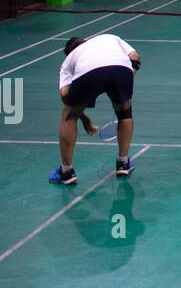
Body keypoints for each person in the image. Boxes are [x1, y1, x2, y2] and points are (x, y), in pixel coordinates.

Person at [50, 33, 141, 184]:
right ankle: (123, 163)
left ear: (70, 53)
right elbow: (135, 57)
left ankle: (66, 172)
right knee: (125, 113)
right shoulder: (108, 37)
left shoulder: (68, 62)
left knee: (68, 116)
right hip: (121, 68)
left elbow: (65, 96)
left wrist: (82, 116)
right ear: (86, 41)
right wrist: (128, 76)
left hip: (88, 72)